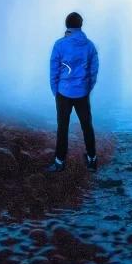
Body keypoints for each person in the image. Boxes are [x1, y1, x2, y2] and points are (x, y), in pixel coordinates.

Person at [47, 11, 99, 172]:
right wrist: (87, 88)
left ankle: (59, 162)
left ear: (67, 26)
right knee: (87, 126)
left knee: (63, 127)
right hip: (82, 93)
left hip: (63, 93)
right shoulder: (89, 45)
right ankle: (92, 159)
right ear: (81, 25)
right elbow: (93, 71)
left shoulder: (59, 44)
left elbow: (54, 70)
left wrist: (56, 91)